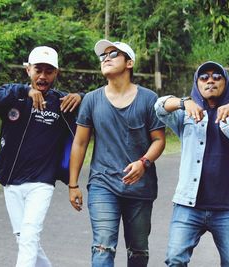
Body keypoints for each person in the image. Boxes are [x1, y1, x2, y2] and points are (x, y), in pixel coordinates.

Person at [0, 46, 83, 267]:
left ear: (57, 73)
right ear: (28, 70)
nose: (43, 76)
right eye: (38, 70)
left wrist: (80, 96)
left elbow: (98, 103)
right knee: (25, 240)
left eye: (49, 71)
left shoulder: (64, 103)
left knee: (29, 236)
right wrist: (22, 91)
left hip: (42, 182)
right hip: (11, 180)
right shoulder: (14, 95)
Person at [69, 39, 166, 267]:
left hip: (140, 187)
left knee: (138, 251)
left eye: (113, 54)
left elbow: (159, 141)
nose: (106, 59)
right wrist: (73, 184)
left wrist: (143, 162)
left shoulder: (148, 99)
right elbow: (80, 143)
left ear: (129, 62)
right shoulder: (92, 100)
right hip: (103, 184)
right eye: (103, 56)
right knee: (102, 247)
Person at [154, 61, 229, 266]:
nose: (210, 80)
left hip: (228, 207)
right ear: (197, 83)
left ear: (225, 82)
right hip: (189, 205)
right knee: (175, 260)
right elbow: (159, 107)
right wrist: (184, 102)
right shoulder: (186, 114)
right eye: (204, 77)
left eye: (216, 76)